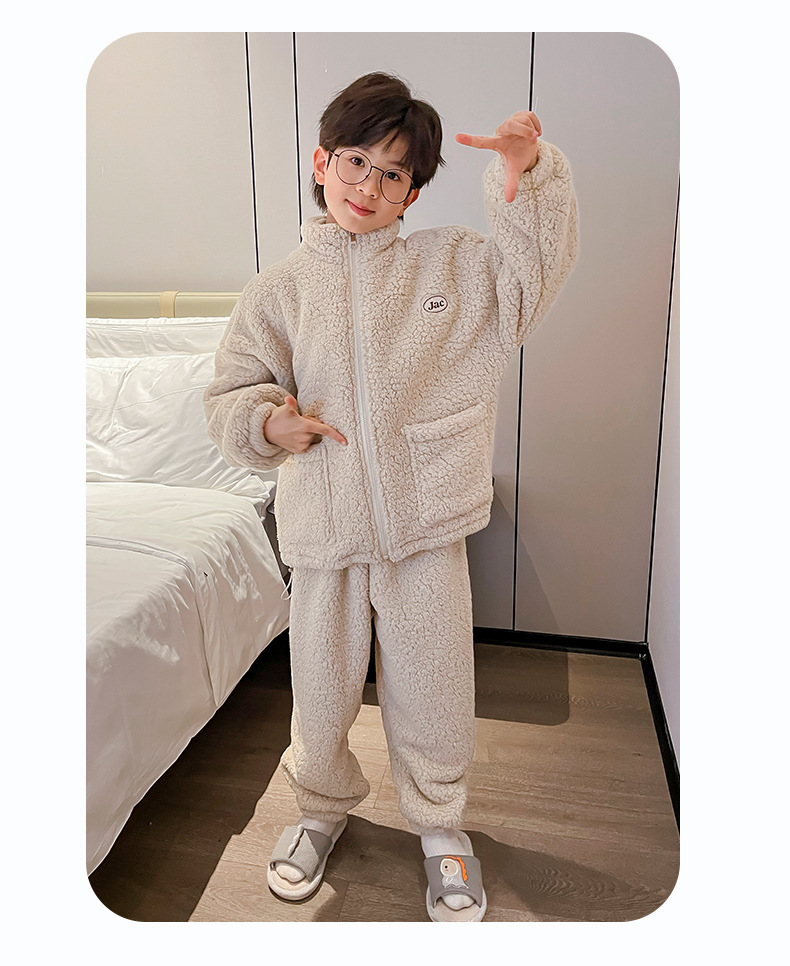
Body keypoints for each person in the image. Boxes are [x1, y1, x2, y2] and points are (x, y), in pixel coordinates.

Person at [204, 71, 578, 922]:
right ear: (321, 162)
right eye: (355, 161)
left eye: (394, 172)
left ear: (415, 190)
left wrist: (528, 179)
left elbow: (530, 280)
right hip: (324, 525)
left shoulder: (455, 264)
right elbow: (232, 392)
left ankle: (441, 827)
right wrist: (268, 424)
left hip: (424, 524)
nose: (369, 186)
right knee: (321, 688)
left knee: (434, 688)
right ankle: (318, 809)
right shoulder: (278, 292)